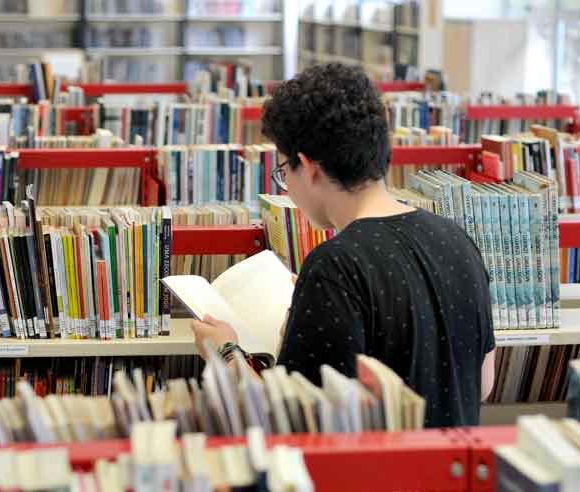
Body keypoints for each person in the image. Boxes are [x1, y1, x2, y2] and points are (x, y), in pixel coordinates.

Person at [191, 63, 496, 428]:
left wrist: (225, 352)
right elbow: (482, 384)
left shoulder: (336, 266)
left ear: (309, 167)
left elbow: (290, 420)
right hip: (454, 471)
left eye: (285, 171)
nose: (286, 183)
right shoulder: (456, 239)